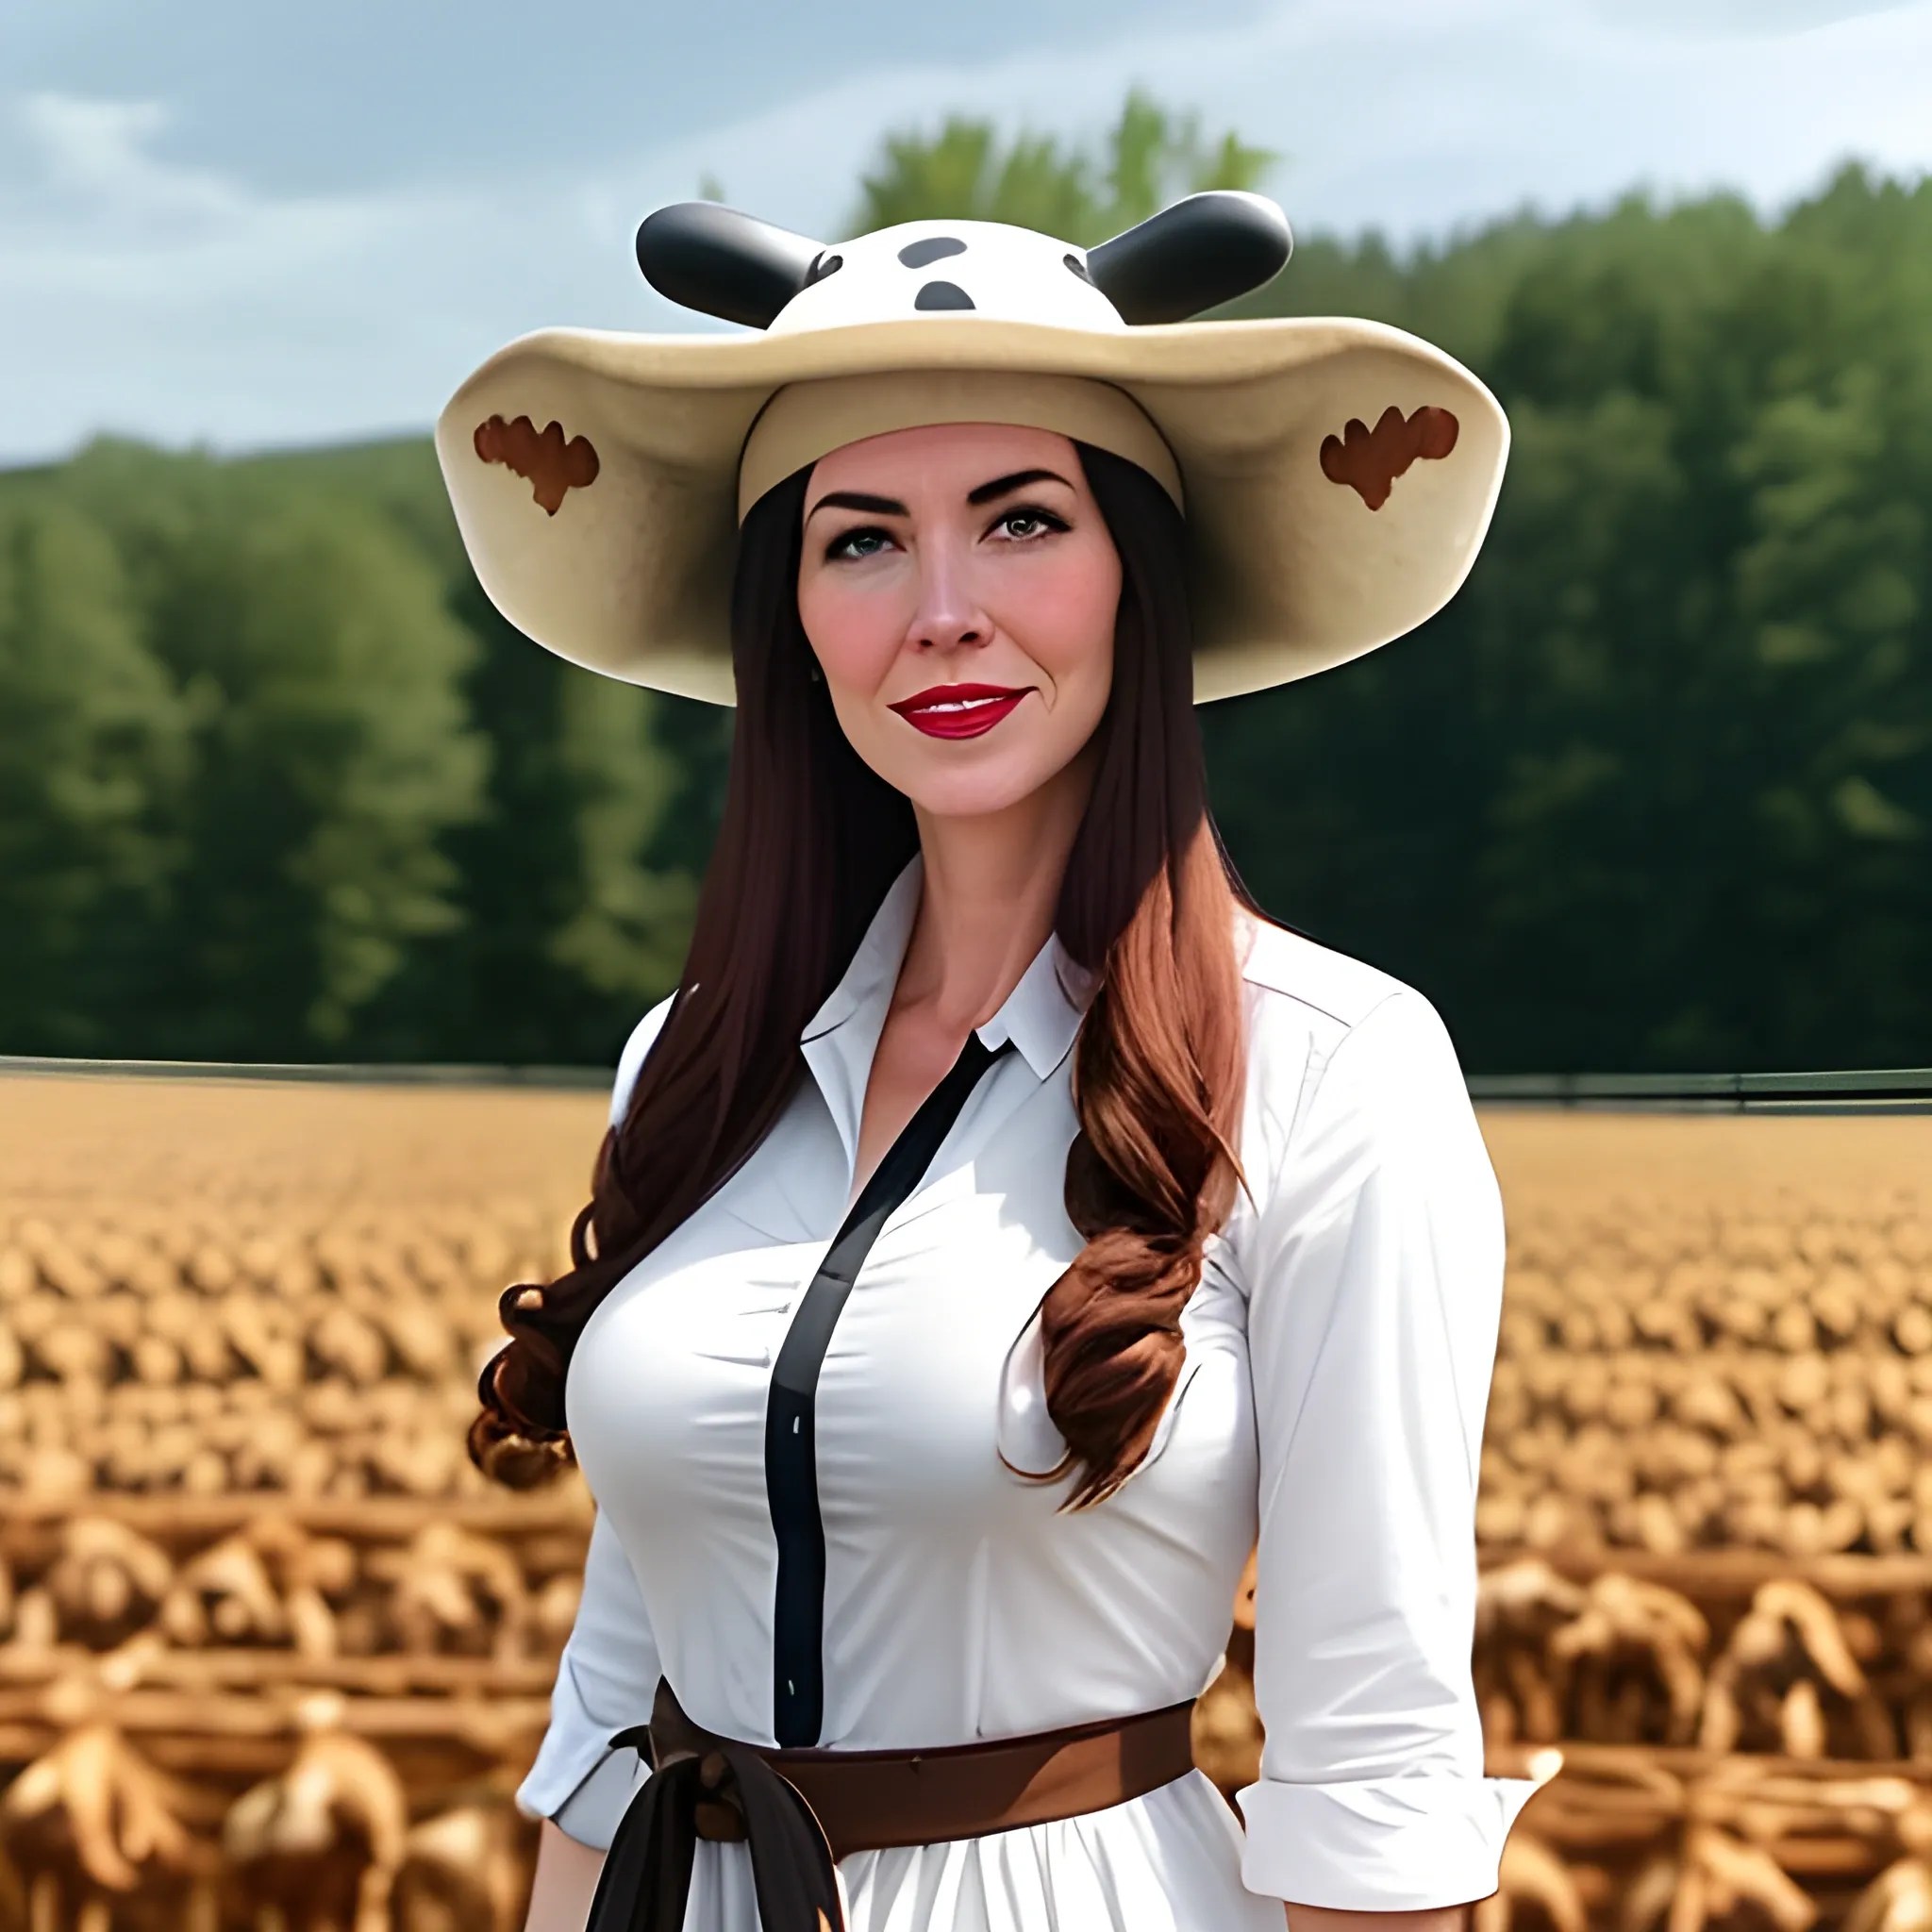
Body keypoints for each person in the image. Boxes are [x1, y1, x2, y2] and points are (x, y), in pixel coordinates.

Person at [434, 190, 1545, 1932]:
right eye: (861, 539)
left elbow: (1371, 1766)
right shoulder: (690, 1064)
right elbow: (615, 1692)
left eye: (1021, 520)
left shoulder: (1337, 1071)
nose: (940, 610)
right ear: (790, 612)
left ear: (1139, 576)